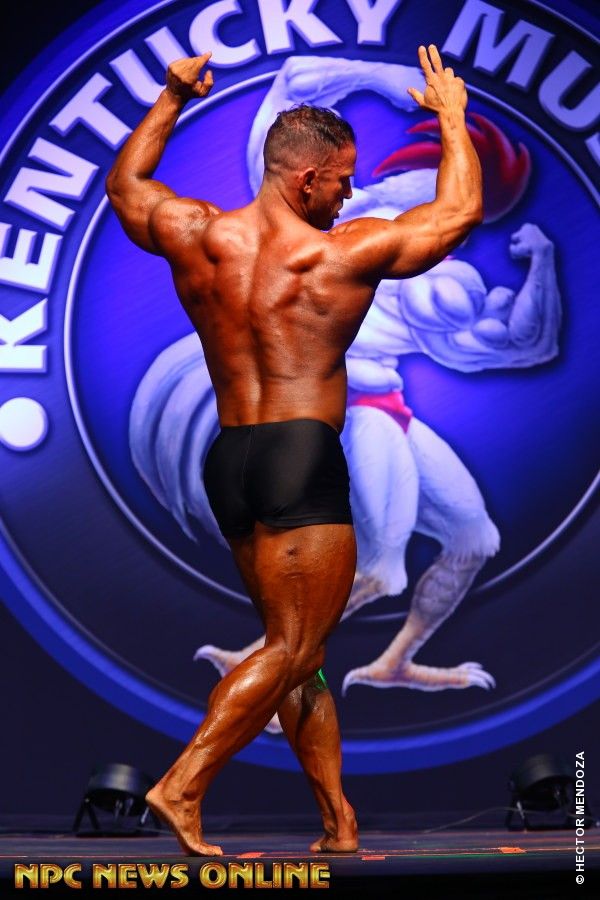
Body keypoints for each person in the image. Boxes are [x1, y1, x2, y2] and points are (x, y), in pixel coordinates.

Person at [105, 44, 483, 856]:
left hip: (231, 462)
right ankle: (183, 786)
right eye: (341, 179)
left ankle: (338, 821)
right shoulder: (336, 254)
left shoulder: (199, 234)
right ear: (305, 178)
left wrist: (171, 98)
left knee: (299, 655)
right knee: (294, 648)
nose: (350, 191)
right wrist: (452, 118)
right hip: (301, 456)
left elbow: (127, 188)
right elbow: (455, 216)